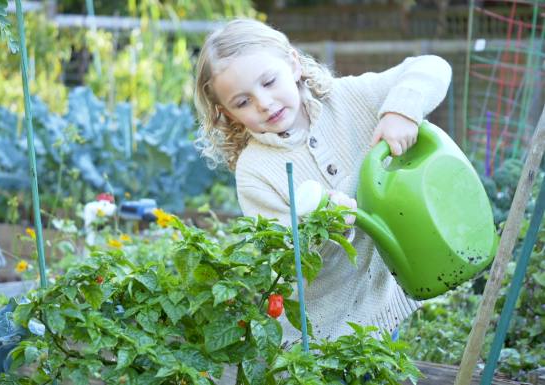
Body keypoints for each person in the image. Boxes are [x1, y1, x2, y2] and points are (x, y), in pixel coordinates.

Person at [193, 18, 451, 353]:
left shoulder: (350, 99)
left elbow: (430, 66)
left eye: (269, 82)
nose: (264, 103)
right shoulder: (255, 171)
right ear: (226, 113)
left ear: (293, 64)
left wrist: (401, 111)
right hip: (317, 332)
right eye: (242, 102)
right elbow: (287, 253)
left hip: (381, 305)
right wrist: (322, 225)